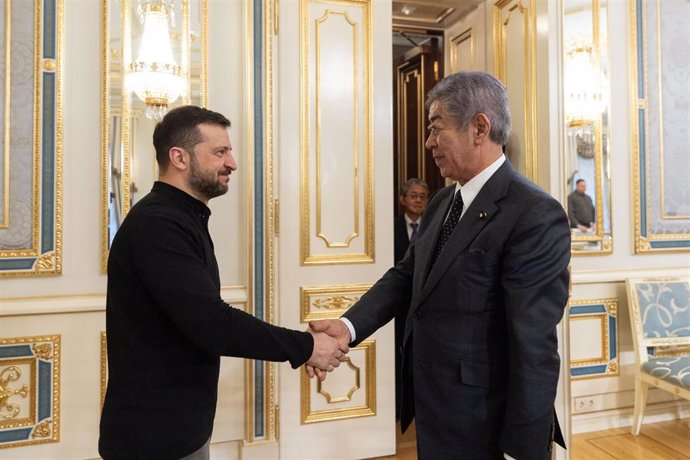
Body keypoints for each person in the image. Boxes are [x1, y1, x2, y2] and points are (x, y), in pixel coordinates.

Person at [308, 71, 570, 459]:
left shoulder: (533, 213)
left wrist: (526, 447)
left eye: (436, 127)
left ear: (479, 127)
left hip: (486, 420)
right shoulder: (442, 203)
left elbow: (534, 344)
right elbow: (405, 278)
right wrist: (348, 327)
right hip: (434, 406)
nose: (429, 142)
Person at [99, 106, 347, 460]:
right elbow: (211, 323)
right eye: (220, 152)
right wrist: (306, 347)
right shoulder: (159, 224)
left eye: (229, 151)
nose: (232, 163)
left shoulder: (181, 217)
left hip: (178, 427)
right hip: (154, 437)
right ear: (179, 157)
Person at [393, 178, 429, 419]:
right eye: (413, 196)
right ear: (403, 199)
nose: (418, 200)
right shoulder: (390, 227)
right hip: (397, 305)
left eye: (423, 196)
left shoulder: (434, 226)